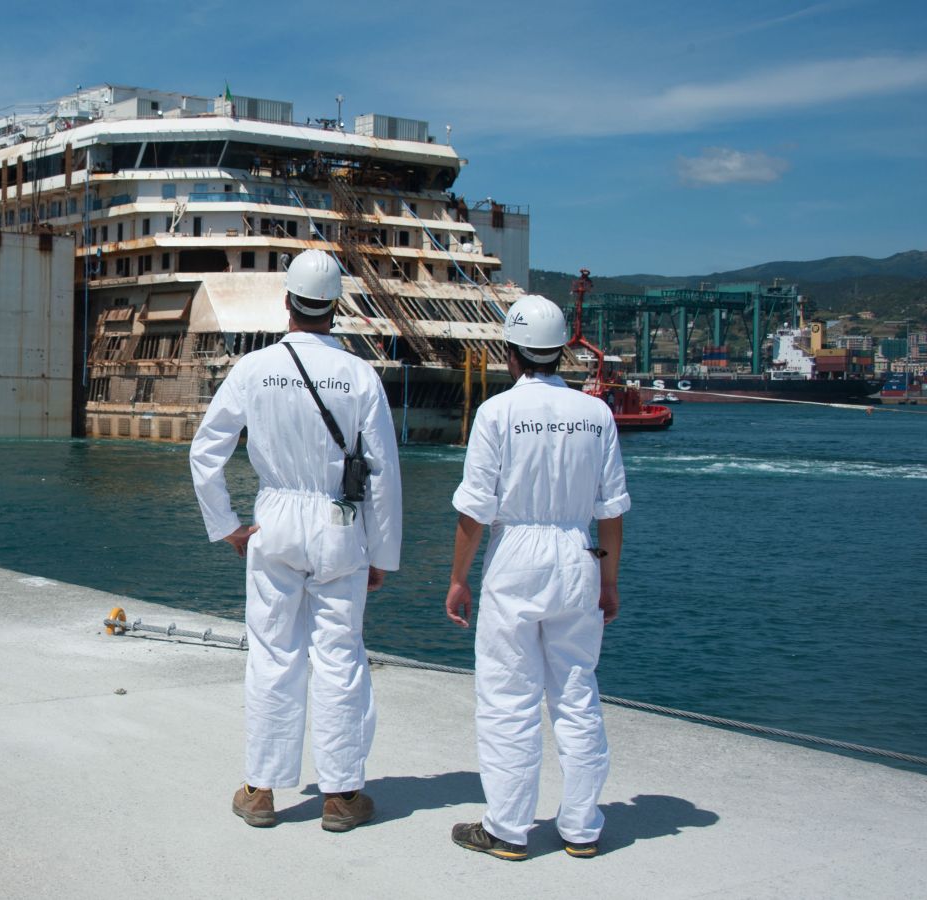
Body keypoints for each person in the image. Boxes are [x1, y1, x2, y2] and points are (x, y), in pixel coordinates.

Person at [189, 249, 402, 833]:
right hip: (339, 525)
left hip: (275, 517)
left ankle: (261, 789)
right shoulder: (360, 375)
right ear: (337, 306)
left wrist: (228, 524)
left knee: (273, 654)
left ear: (287, 302)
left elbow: (205, 453)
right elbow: (381, 472)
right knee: (340, 658)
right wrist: (381, 554)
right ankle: (341, 795)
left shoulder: (253, 368)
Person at [443, 294, 629, 861]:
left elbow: (474, 512)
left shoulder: (496, 413)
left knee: (508, 697)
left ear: (512, 352)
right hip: (579, 553)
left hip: (517, 555)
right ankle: (581, 827)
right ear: (559, 353)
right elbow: (612, 510)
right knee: (576, 691)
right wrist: (610, 580)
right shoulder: (597, 413)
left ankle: (507, 828)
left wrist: (457, 578)